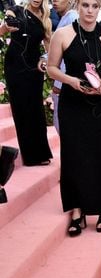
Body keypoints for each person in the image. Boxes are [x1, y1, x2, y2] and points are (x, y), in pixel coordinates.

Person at [46, 0, 101, 236]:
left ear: (100, 8)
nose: (90, 10)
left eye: (94, 6)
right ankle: (77, 210)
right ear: (77, 6)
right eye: (85, 5)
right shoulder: (62, 35)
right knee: (73, 155)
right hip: (72, 103)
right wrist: (71, 80)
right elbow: (51, 68)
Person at [1, 0, 53, 166]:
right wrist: (5, 28)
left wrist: (45, 59)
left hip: (34, 66)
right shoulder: (15, 10)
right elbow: (3, 29)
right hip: (15, 65)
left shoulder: (46, 18)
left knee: (36, 108)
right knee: (21, 108)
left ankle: (41, 153)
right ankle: (30, 156)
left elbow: (49, 45)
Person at [48, 0, 78, 134]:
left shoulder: (72, 17)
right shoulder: (65, 18)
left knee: (65, 129)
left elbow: (70, 54)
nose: (54, 2)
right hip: (63, 79)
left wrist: (60, 83)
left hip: (65, 82)